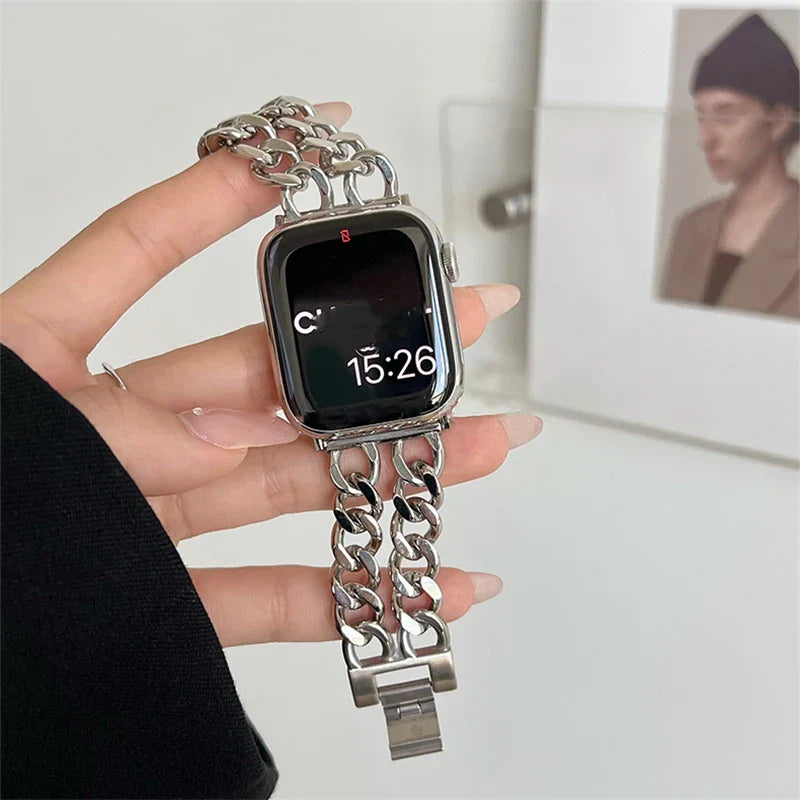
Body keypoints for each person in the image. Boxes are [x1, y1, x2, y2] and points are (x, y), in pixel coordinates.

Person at [0, 99, 543, 798]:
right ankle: (407, 695)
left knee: (386, 571)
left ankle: (411, 699)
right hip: (363, 414)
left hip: (380, 411)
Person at [661, 13, 800, 319]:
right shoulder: (690, 228)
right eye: (701, 116)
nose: (704, 139)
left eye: (725, 114)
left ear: (779, 121)